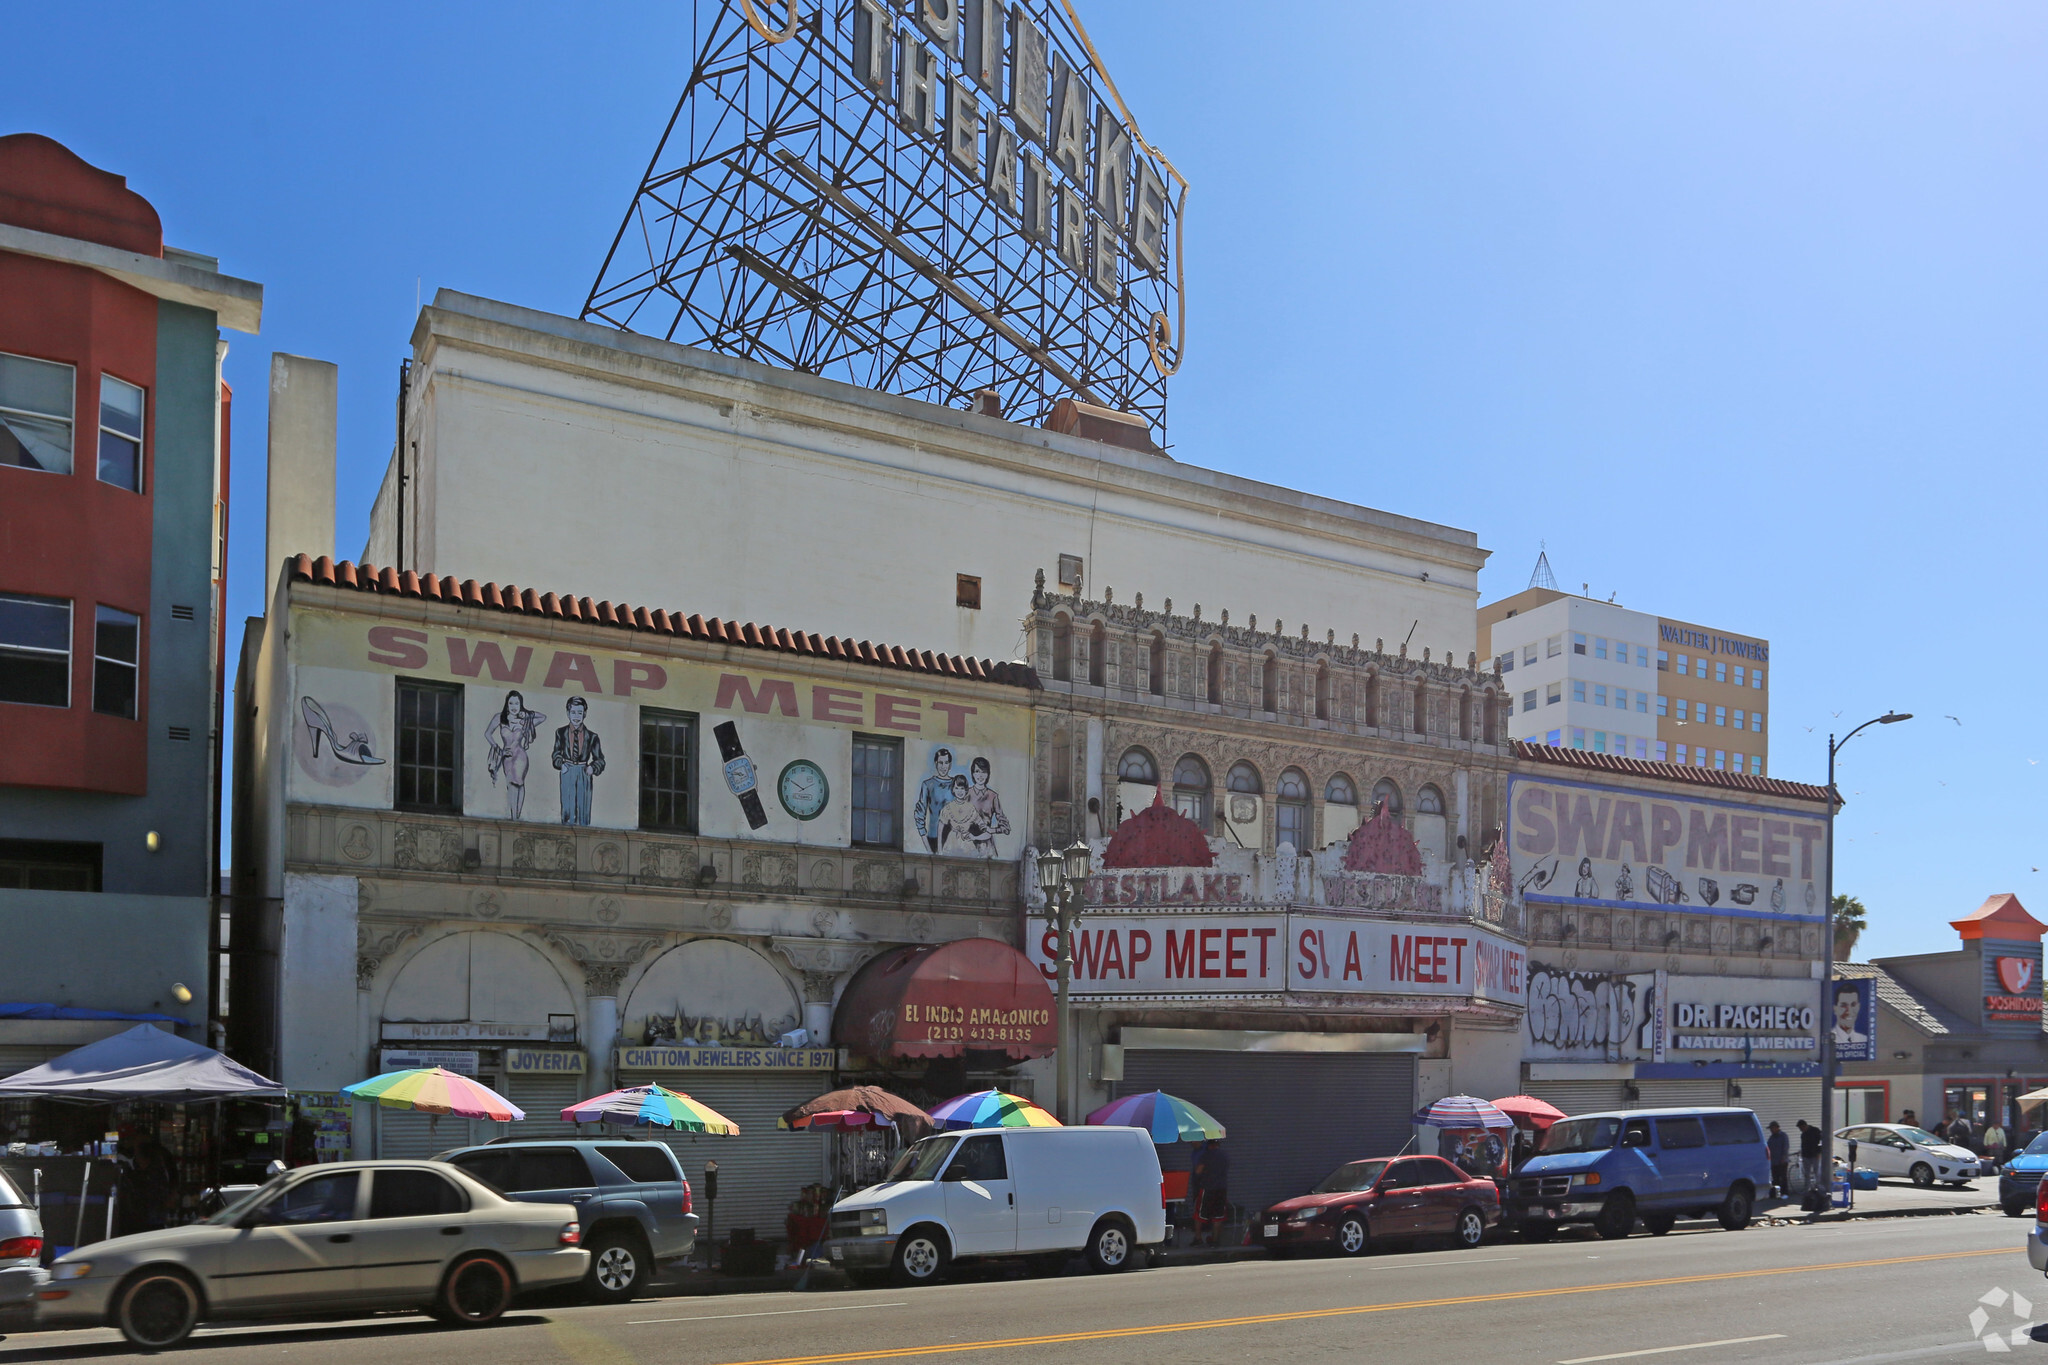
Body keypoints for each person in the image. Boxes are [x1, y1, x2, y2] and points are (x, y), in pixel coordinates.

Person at [486, 690, 546, 820]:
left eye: (517, 703)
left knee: (519, 783)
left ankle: (516, 817)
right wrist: (496, 747)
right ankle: (514, 817)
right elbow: (488, 733)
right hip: (507, 755)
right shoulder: (500, 718)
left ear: (520, 705)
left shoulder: (524, 721)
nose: (514, 706)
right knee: (511, 783)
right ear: (507, 704)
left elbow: (543, 717)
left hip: (520, 755)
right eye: (511, 703)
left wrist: (528, 714)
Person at [552, 696, 606, 825]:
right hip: (567, 769)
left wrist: (592, 768)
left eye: (580, 713)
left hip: (583, 770)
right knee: (567, 806)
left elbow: (600, 759)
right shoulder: (561, 732)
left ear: (585, 714)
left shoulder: (592, 736)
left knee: (583, 807)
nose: (576, 716)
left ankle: (583, 834)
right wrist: (561, 764)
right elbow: (556, 753)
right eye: (573, 712)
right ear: (568, 713)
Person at [1188, 1139, 1230, 1247]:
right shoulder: (1224, 1155)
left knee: (1199, 1215)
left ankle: (1198, 1238)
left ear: (1209, 1145)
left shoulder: (1206, 1155)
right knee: (1218, 1216)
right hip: (1221, 1189)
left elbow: (1198, 1171)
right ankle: (1215, 1240)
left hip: (1207, 1188)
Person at [1797, 1119, 1823, 1197]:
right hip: (1806, 1156)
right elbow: (1803, 1145)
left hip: (1815, 1155)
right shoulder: (1803, 1134)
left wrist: (1819, 1152)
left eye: (1801, 1128)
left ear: (1804, 1126)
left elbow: (1821, 1142)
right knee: (1807, 1174)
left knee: (1816, 1172)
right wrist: (1802, 1154)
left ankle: (1818, 1188)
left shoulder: (1815, 1131)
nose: (1801, 1130)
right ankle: (1807, 1189)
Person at [1766, 1121, 1791, 1197]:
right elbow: (1768, 1148)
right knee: (1775, 1178)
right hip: (1773, 1161)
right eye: (1770, 1129)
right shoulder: (1771, 1138)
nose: (1771, 1130)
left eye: (1772, 1128)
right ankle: (1776, 1194)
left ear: (1777, 1127)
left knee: (1783, 1178)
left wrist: (1783, 1158)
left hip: (1782, 1161)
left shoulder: (1783, 1136)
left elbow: (1785, 1147)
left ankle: (1785, 1193)